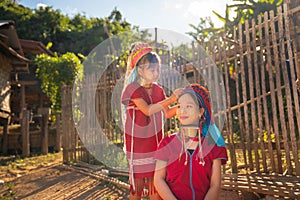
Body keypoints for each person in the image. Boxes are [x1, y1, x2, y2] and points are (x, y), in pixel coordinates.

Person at [121, 42, 182, 200]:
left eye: (157, 70)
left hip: (155, 144)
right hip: (138, 145)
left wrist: (180, 106)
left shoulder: (159, 90)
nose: (156, 73)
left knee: (155, 184)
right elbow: (147, 110)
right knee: (138, 187)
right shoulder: (132, 89)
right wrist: (172, 98)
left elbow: (167, 113)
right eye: (151, 69)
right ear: (140, 71)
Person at [154, 83, 228, 200]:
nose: (182, 110)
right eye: (179, 106)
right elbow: (158, 179)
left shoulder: (213, 146)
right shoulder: (167, 143)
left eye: (189, 106)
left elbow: (215, 185)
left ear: (201, 112)